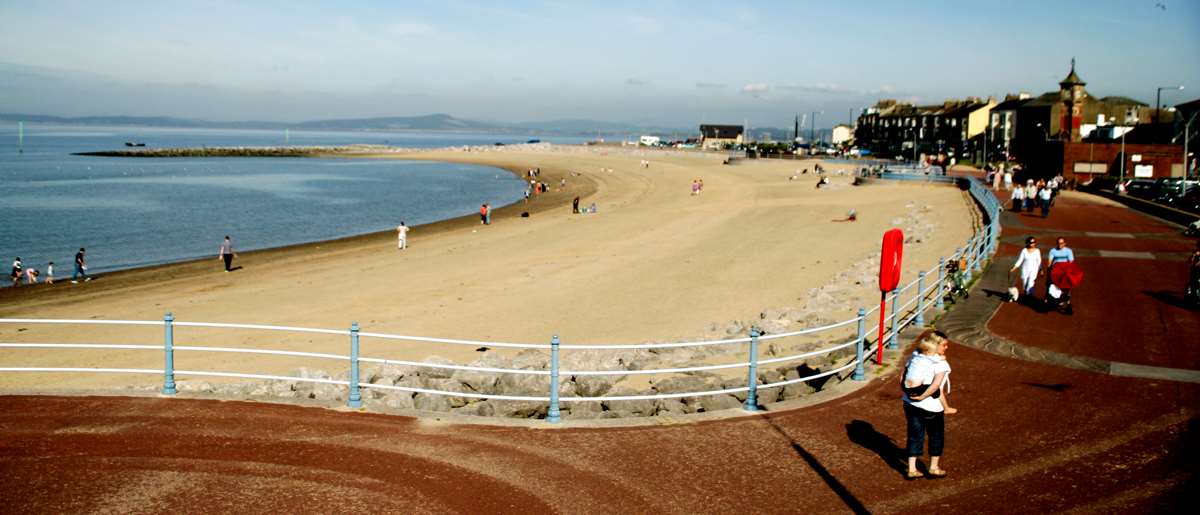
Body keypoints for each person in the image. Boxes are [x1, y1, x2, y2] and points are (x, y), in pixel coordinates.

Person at [903, 330, 955, 479]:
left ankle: (911, 469)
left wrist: (909, 394)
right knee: (936, 435)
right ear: (936, 345)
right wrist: (923, 396)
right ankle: (933, 467)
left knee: (914, 434)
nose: (946, 348)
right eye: (944, 345)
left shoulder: (915, 357)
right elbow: (936, 386)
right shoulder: (941, 364)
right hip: (931, 405)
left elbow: (902, 377)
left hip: (909, 403)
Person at [1046, 237, 1075, 313]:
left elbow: (1071, 262)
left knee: (1067, 288)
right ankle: (1057, 301)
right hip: (1056, 272)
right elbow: (1050, 261)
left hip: (1065, 272)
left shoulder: (1069, 251)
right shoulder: (1053, 251)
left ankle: (1067, 303)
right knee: (1055, 287)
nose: (1060, 245)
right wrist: (1049, 268)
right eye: (1058, 243)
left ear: (1065, 243)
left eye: (1061, 243)